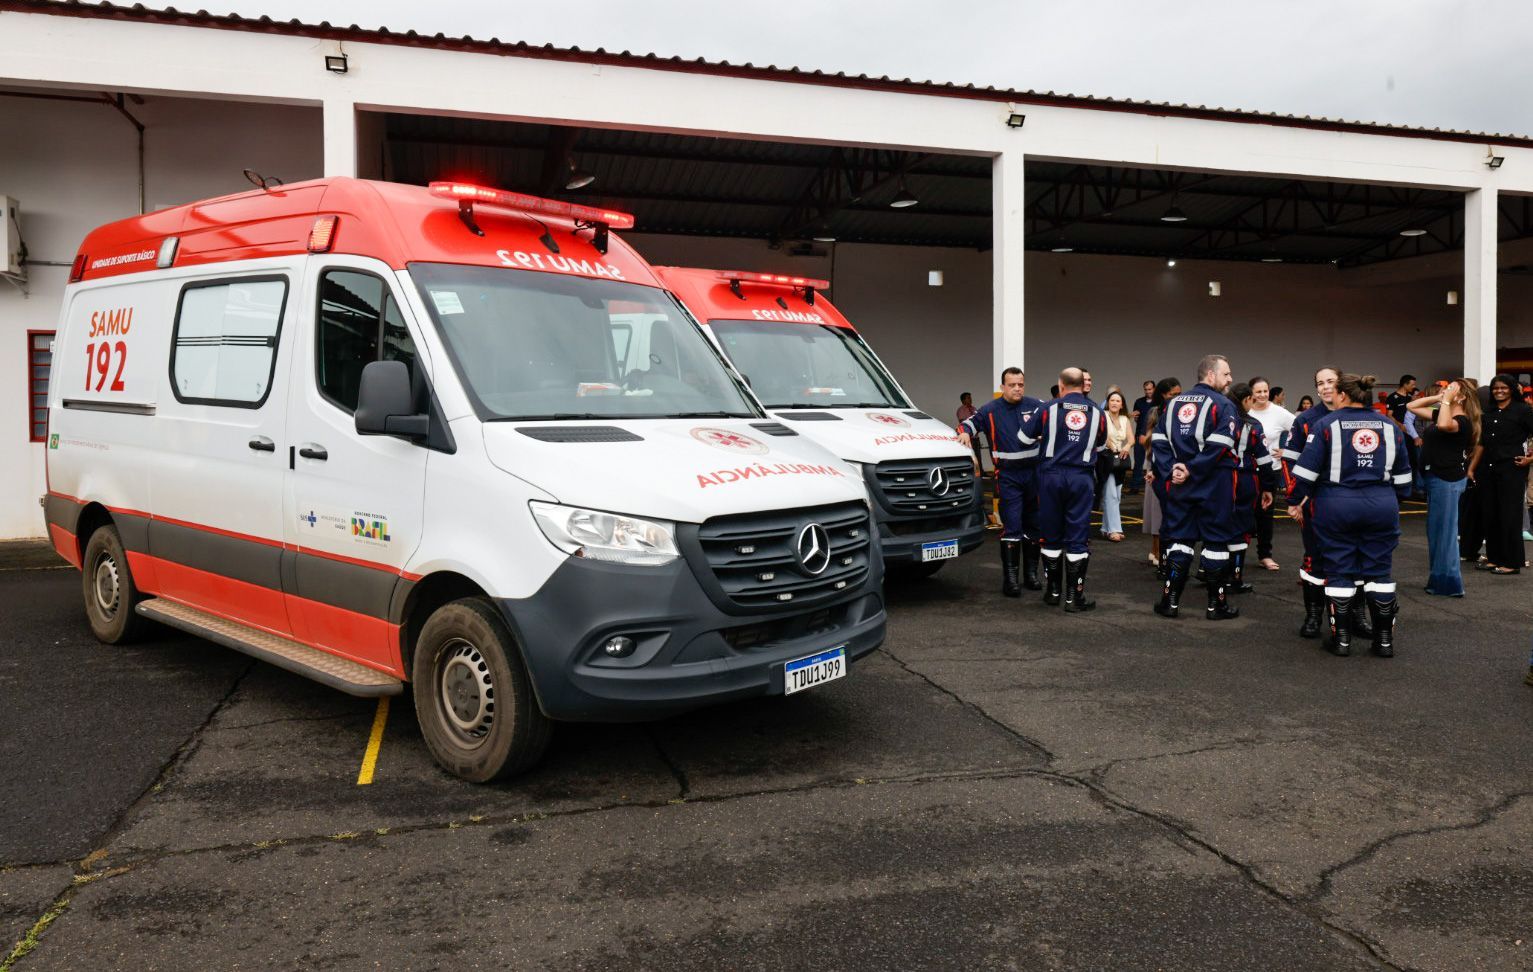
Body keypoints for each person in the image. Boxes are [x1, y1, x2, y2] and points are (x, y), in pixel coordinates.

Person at [1288, 374, 1412, 657]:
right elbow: (1404, 478)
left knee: (1339, 569)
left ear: (1343, 395)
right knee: (1379, 571)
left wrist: (1294, 501)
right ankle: (1384, 642)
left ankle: (1341, 641)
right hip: (1381, 505)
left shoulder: (1325, 425)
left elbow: (1305, 472)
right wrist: (1391, 500)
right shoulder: (1389, 426)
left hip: (1336, 506)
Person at [1151, 354, 1242, 620]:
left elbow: (1158, 441)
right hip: (1215, 483)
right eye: (1226, 374)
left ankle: (1169, 602)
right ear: (1211, 375)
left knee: (1180, 540)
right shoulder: (1224, 405)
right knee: (1216, 541)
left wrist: (1173, 470)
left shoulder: (1172, 404)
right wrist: (1191, 468)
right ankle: (1216, 606)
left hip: (1181, 484)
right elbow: (1221, 444)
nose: (1230, 379)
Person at [1019, 367, 1107, 611]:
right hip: (1081, 478)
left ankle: (1053, 592)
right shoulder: (1098, 412)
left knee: (1050, 535)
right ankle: (1074, 598)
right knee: (1077, 537)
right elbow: (1100, 447)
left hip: (1050, 477)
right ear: (1082, 384)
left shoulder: (1047, 408)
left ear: (1061, 385)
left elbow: (1023, 438)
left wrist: (1048, 437)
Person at [958, 368, 1045, 596]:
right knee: (1012, 526)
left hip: (1034, 475)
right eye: (1012, 385)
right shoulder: (990, 410)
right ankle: (1011, 580)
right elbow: (968, 424)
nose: (1017, 388)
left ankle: (1031, 575)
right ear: (1002, 387)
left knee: (1034, 525)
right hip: (1008, 477)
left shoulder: (1037, 406)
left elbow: (1055, 420)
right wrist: (965, 432)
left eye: (1021, 384)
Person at [1282, 367, 1353, 639]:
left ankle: (1356, 617)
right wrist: (1297, 500)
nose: (1325, 387)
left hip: (1351, 501)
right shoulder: (1305, 420)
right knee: (1315, 558)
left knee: (1354, 558)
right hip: (1315, 501)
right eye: (1320, 383)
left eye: (1330, 381)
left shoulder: (1357, 416)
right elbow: (1290, 461)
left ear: (1341, 385)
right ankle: (1313, 617)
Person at [1408, 379, 1481, 596]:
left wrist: (1446, 401)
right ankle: (1439, 580)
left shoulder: (1462, 421)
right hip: (1437, 478)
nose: (1445, 391)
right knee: (1436, 532)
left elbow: (1443, 426)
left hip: (1447, 480)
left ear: (1462, 396)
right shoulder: (1444, 413)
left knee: (1445, 533)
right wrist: (1440, 398)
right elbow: (1412, 407)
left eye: (1450, 389)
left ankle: (1449, 584)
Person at [1468, 374, 1533, 574]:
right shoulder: (1488, 412)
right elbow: (1482, 443)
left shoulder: (1523, 410)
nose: (1499, 391)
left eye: (1503, 387)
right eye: (1496, 388)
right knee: (1490, 514)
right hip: (1487, 469)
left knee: (1509, 515)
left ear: (1512, 389)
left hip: (1512, 469)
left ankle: (1512, 563)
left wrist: (1530, 459)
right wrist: (1471, 468)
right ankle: (1494, 558)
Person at [1228, 383, 1278, 593]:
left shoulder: (1220, 419)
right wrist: (1268, 487)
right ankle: (1234, 579)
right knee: (1241, 529)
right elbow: (1265, 460)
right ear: (1247, 399)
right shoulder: (1252, 424)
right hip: (1243, 480)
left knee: (1217, 525)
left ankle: (1209, 572)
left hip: (1218, 479)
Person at [1246, 376, 1293, 570]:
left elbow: (1302, 430)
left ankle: (1265, 555)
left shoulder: (1279, 413)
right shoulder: (1245, 411)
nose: (1263, 395)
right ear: (1251, 393)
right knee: (1243, 512)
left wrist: (1287, 451)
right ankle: (1235, 555)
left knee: (1265, 514)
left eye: (1265, 391)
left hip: (1270, 471)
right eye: (1258, 391)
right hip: (1247, 471)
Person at [1139, 378, 1181, 569]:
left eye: (1179, 394)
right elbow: (1145, 439)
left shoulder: (1181, 412)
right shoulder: (1155, 412)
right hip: (1156, 463)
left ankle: (1164, 551)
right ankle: (1156, 551)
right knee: (1156, 510)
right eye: (1173, 394)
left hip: (1174, 464)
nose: (1176, 398)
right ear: (1163, 395)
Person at [1099, 390, 1134, 542]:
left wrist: (1127, 446)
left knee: (1116, 495)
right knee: (1111, 494)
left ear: (1122, 405)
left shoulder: (1125, 419)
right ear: (1108, 403)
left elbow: (1131, 439)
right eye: (1112, 400)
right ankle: (1114, 529)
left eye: (1117, 401)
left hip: (1119, 461)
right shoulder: (1103, 415)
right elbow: (1101, 435)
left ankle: (1105, 528)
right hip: (1105, 458)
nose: (1114, 403)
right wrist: (1111, 446)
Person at [1129, 379, 1155, 492]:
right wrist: (1134, 417)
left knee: (1154, 461)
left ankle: (1153, 486)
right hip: (1140, 434)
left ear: (1154, 389)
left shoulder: (1159, 402)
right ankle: (1135, 487)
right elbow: (1136, 419)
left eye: (1150, 389)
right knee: (1138, 462)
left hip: (1154, 436)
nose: (1148, 391)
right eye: (1146, 389)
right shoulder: (1139, 402)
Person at [957, 392, 984, 474]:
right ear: (963, 400)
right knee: (971, 456)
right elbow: (963, 422)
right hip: (967, 438)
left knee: (978, 455)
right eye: (968, 398)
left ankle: (981, 472)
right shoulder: (961, 410)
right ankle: (972, 473)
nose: (970, 399)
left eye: (970, 397)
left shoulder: (974, 408)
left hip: (976, 437)